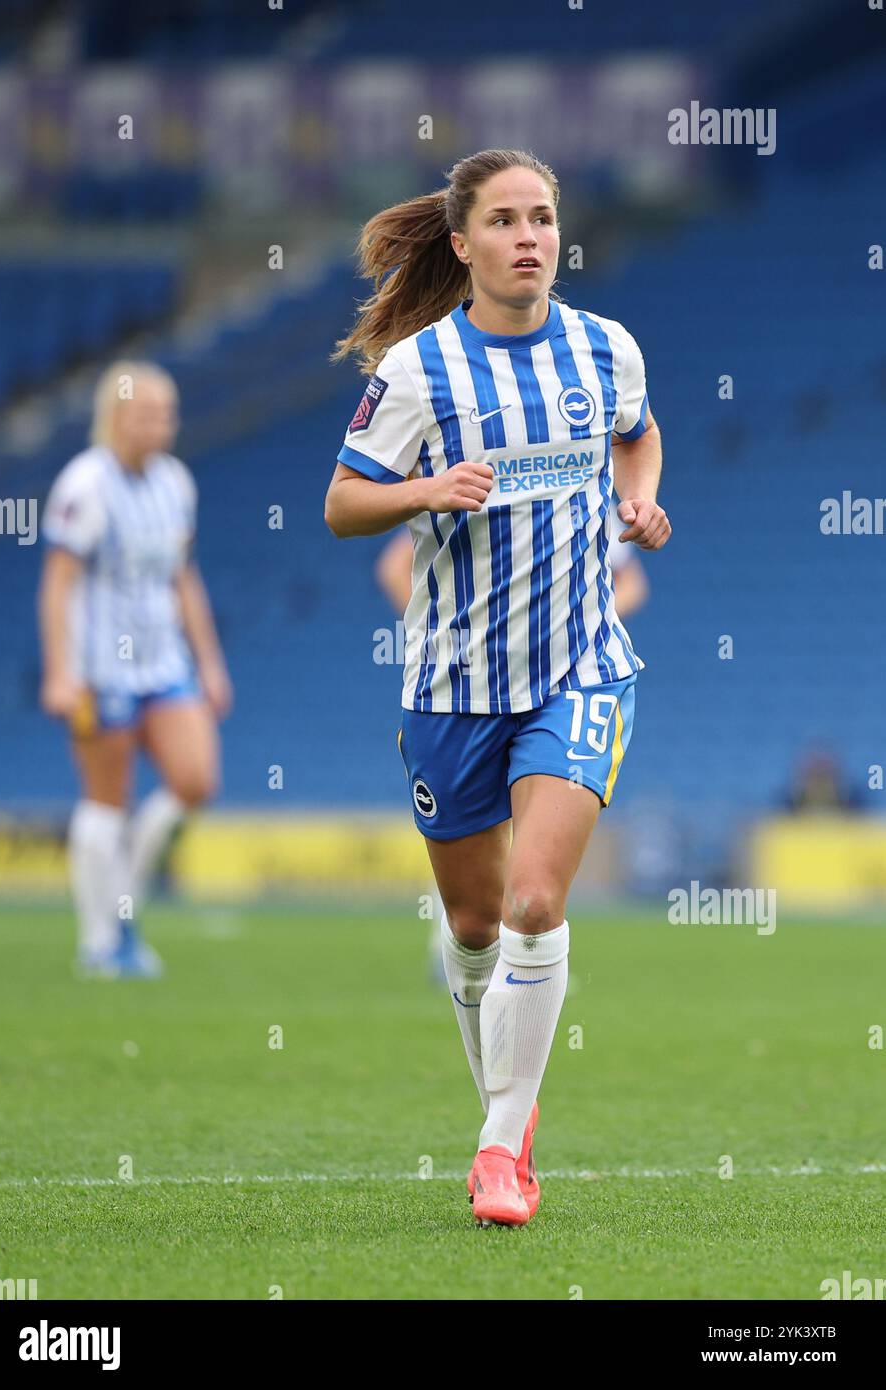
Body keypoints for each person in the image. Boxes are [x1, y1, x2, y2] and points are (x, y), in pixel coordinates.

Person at [325, 148, 671, 1227]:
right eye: (507, 221)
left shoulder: (603, 347)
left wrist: (638, 502)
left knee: (532, 900)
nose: (529, 237)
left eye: (542, 218)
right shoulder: (419, 373)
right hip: (451, 685)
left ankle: (493, 1148)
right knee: (472, 927)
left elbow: (638, 435)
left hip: (578, 669)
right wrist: (427, 486)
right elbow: (341, 503)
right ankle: (507, 1120)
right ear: (464, 242)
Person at [375, 501, 649, 986]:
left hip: (560, 684)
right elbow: (392, 561)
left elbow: (633, 583)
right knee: (473, 843)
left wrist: (585, 616)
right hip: (467, 687)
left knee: (536, 857)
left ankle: (526, 957)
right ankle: (464, 950)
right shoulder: (483, 474)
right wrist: (440, 628)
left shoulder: (590, 493)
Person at [39, 361, 232, 977]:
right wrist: (61, 672)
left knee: (195, 781)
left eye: (168, 414)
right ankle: (101, 940)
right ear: (117, 417)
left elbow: (183, 579)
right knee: (105, 800)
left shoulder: (176, 483)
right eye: (151, 414)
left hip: (164, 663)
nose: (164, 425)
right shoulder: (85, 486)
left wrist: (209, 663)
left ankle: (125, 900)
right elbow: (58, 585)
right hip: (102, 671)